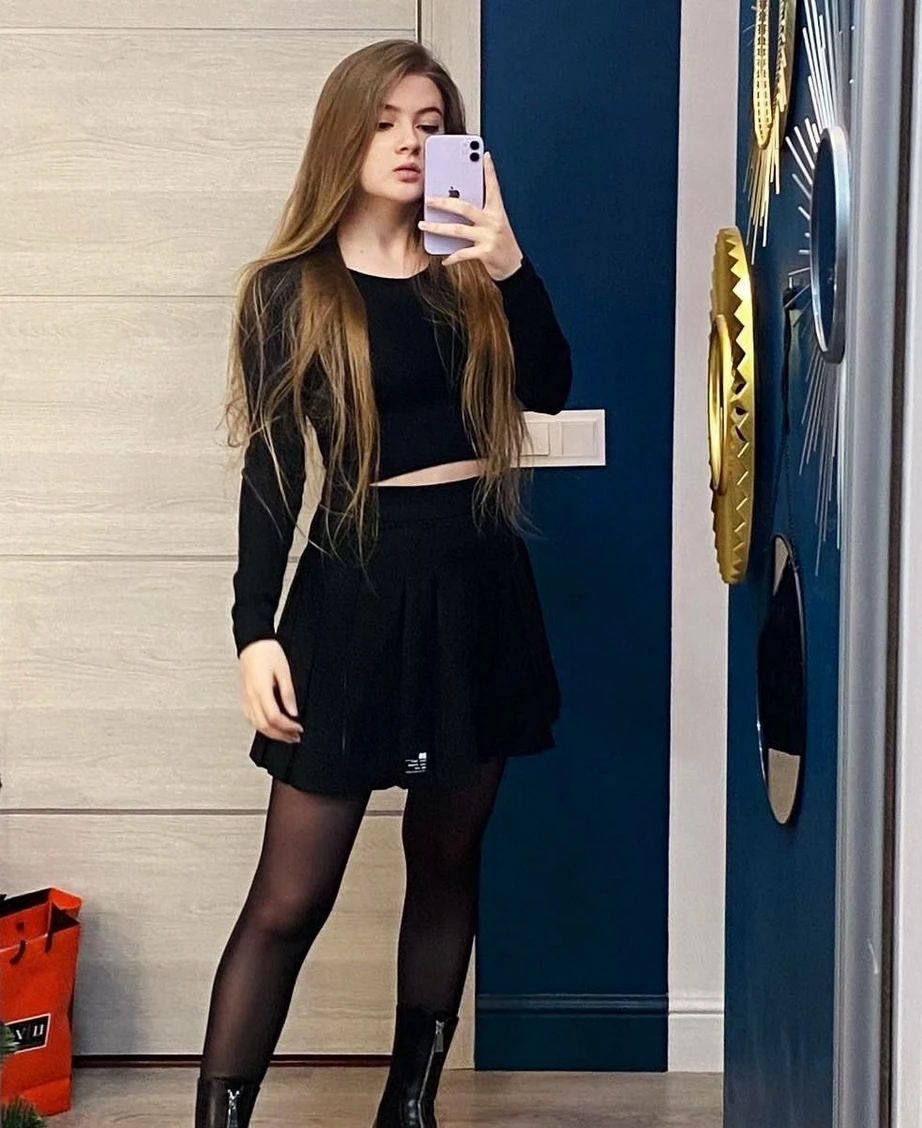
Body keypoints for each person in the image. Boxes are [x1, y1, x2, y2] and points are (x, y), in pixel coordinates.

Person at [195, 37, 572, 1128]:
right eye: (386, 122)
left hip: (479, 584)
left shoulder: (469, 271)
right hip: (355, 588)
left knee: (447, 860)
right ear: (343, 135)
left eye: (431, 124)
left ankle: (409, 1109)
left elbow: (550, 387)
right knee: (290, 896)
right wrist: (253, 631)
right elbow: (274, 470)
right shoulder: (291, 288)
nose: (410, 142)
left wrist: (508, 261)